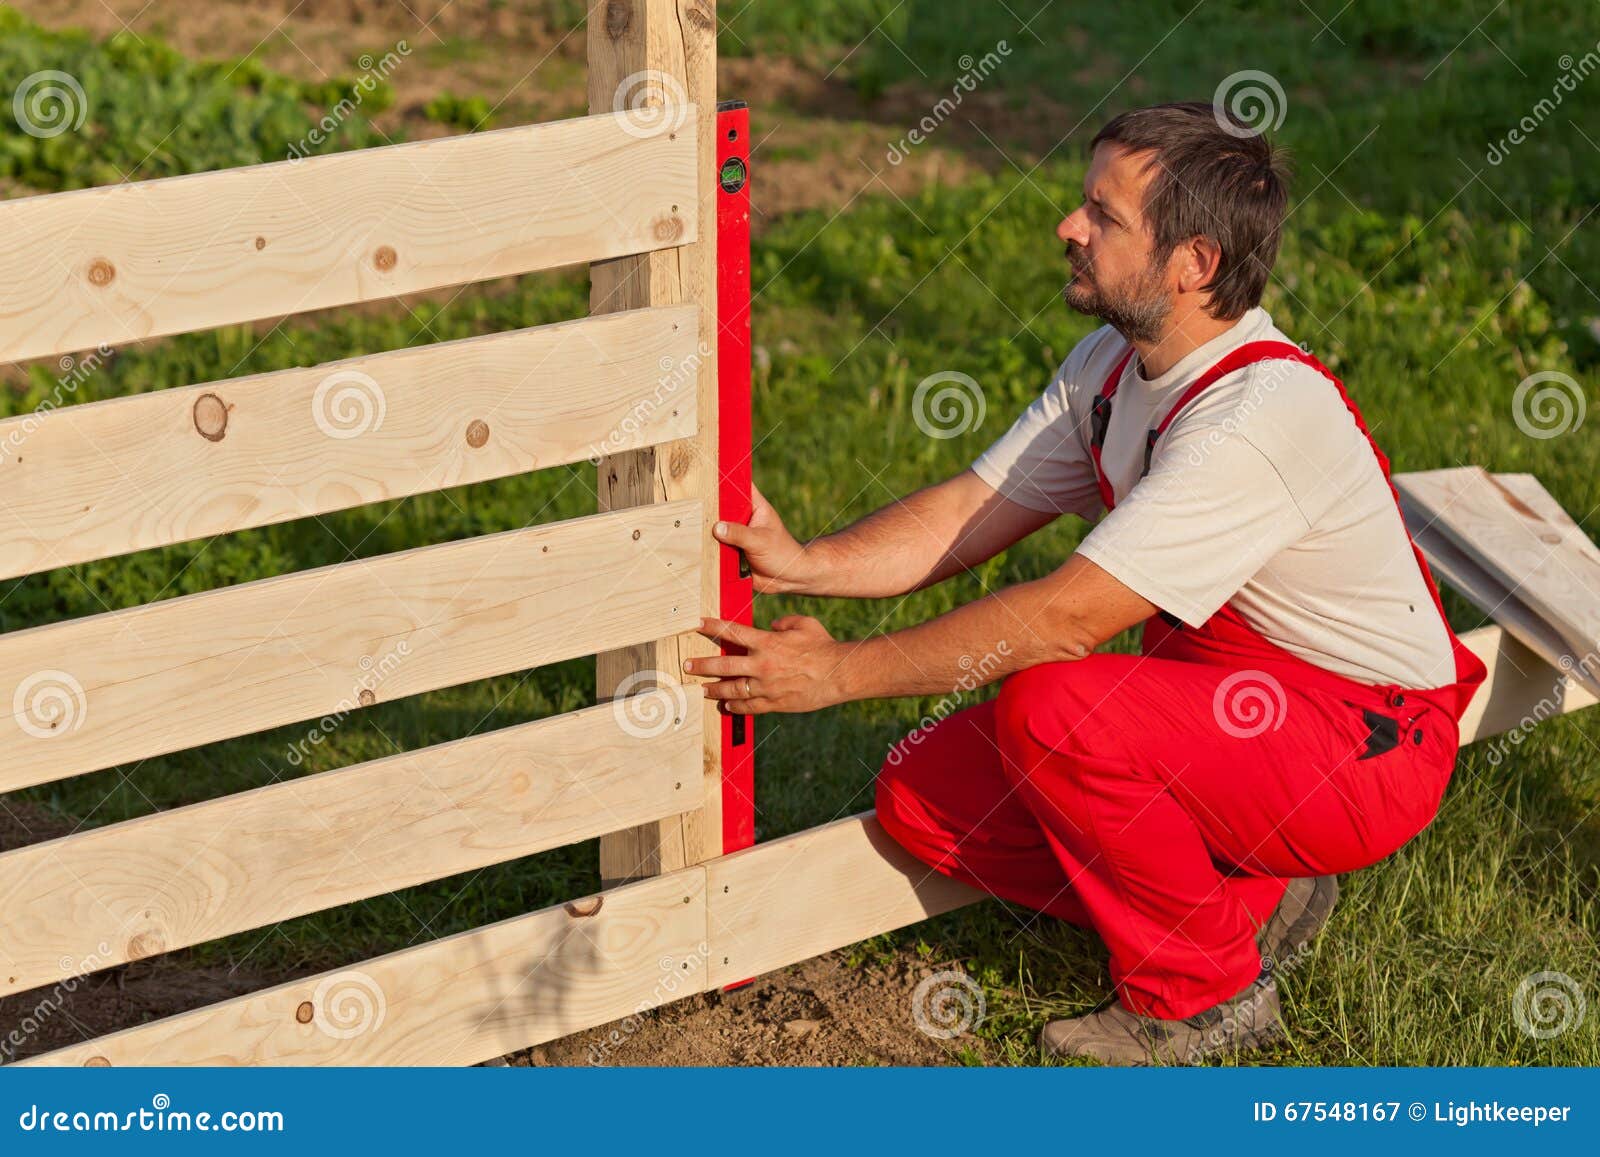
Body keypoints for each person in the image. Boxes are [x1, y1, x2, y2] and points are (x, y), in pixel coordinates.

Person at [685, 101, 1486, 1065]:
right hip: (1237, 708)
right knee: (924, 794)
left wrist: (836, 674)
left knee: (1057, 713)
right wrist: (810, 562)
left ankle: (1202, 996)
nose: (1069, 226)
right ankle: (1242, 895)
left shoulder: (1252, 418)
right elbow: (974, 506)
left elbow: (1063, 618)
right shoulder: (1113, 365)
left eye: (1103, 215)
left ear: (1193, 263)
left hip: (1363, 743)